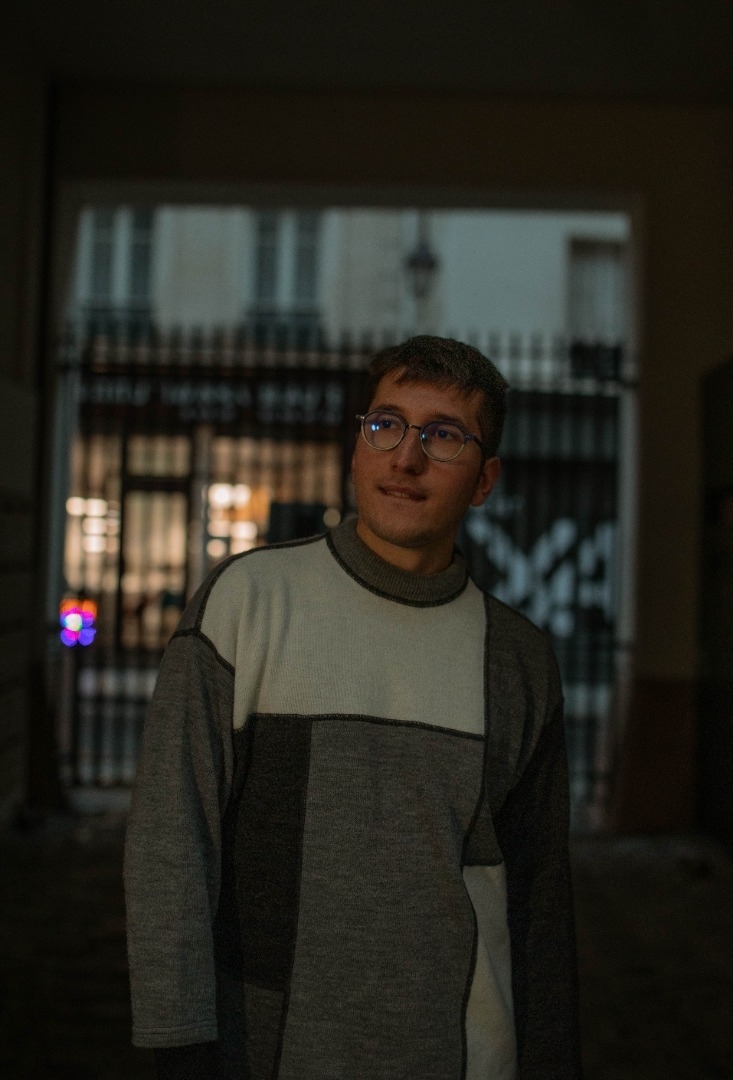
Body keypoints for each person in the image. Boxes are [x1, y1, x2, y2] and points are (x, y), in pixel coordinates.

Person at [124, 335, 583, 1080]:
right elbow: (172, 839)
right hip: (263, 1048)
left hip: (458, 1056)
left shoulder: (516, 660)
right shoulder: (247, 602)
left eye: (443, 435)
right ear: (357, 446)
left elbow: (539, 900)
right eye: (386, 425)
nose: (406, 458)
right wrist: (177, 1041)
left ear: (484, 481)